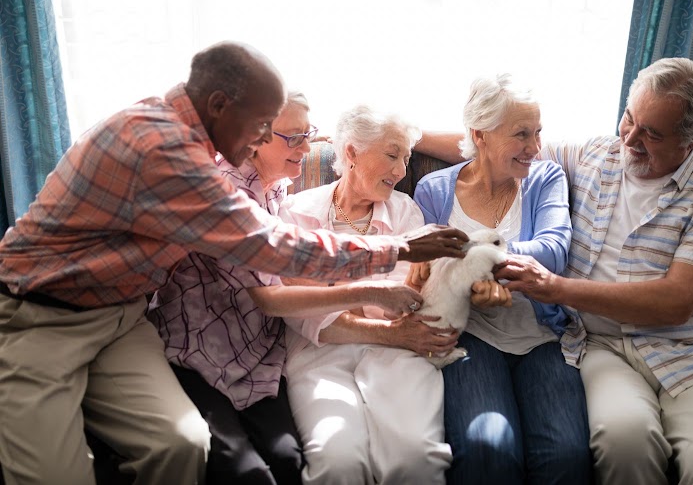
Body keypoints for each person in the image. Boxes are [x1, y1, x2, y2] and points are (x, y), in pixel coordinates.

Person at [0, 41, 467, 485]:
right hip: (43, 315)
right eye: (264, 124)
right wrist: (399, 251)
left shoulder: (220, 154)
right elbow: (273, 246)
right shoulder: (163, 151)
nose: (267, 137)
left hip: (121, 318)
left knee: (180, 446)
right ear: (220, 105)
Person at [495, 58, 693, 484]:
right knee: (624, 442)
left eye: (652, 133)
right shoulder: (596, 154)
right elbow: (503, 148)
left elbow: (676, 302)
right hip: (603, 346)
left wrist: (558, 288)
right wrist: (407, 139)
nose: (631, 140)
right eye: (629, 120)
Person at [278, 105, 484, 485]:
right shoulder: (295, 212)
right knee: (338, 460)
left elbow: (406, 299)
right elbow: (301, 310)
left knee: (415, 457)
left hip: (396, 352)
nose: (401, 171)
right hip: (320, 352)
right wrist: (374, 310)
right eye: (392, 155)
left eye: (406, 158)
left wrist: (334, 290)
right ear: (352, 153)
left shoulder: (407, 214)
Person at [412, 74, 592, 484]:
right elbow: (431, 271)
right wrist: (473, 281)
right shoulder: (433, 191)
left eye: (538, 132)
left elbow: (553, 252)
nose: (535, 146)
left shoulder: (546, 178)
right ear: (480, 135)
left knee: (567, 454)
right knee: (487, 449)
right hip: (470, 334)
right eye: (521, 134)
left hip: (542, 334)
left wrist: (481, 263)